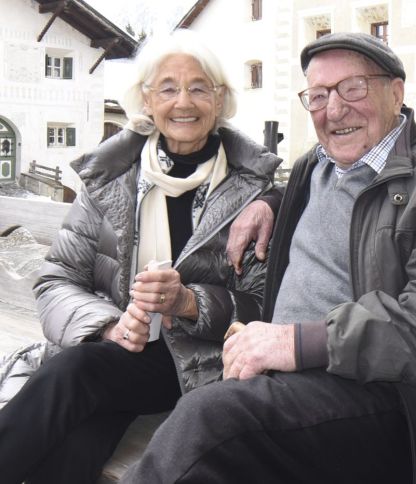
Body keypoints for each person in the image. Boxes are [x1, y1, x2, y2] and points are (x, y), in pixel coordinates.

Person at [122, 32, 416, 484]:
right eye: (318, 96)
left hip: (401, 408)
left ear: (396, 92)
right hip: (296, 392)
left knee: (208, 420)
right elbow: (342, 207)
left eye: (353, 88)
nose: (334, 109)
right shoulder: (317, 167)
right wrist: (268, 201)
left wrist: (294, 342)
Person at [0, 29, 277, 484]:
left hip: (200, 366)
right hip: (116, 357)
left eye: (199, 88)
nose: (183, 102)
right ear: (147, 100)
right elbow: (57, 280)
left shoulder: (255, 192)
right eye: (168, 88)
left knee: (77, 371)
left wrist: (187, 302)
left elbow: (264, 306)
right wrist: (107, 325)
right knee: (80, 436)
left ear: (220, 98)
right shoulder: (112, 179)